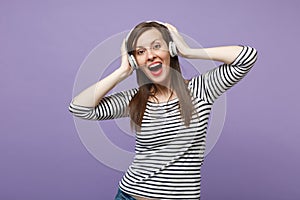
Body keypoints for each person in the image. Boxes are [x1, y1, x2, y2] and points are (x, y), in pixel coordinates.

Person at [69, 21, 258, 200]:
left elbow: (247, 56)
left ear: (171, 49)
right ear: (136, 61)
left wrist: (189, 52)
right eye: (141, 51)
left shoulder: (202, 89)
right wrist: (122, 71)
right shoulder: (135, 99)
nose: (150, 55)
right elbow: (79, 107)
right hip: (130, 195)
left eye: (156, 46)